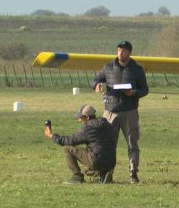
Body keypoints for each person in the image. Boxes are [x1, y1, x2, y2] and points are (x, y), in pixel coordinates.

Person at [91, 40, 149, 183]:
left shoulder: (137, 69)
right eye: (118, 50)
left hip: (129, 111)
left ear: (129, 52)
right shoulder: (108, 67)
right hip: (110, 111)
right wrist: (96, 85)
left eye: (123, 50)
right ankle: (107, 174)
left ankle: (133, 173)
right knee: (108, 144)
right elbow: (94, 80)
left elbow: (145, 89)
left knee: (132, 143)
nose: (120, 53)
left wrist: (134, 92)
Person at [44, 105, 117, 184]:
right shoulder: (106, 123)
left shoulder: (88, 128)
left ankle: (77, 177)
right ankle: (104, 175)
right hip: (111, 161)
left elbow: (68, 141)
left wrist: (51, 136)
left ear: (87, 117)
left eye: (81, 118)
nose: (79, 120)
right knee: (86, 170)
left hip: (97, 160)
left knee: (67, 148)